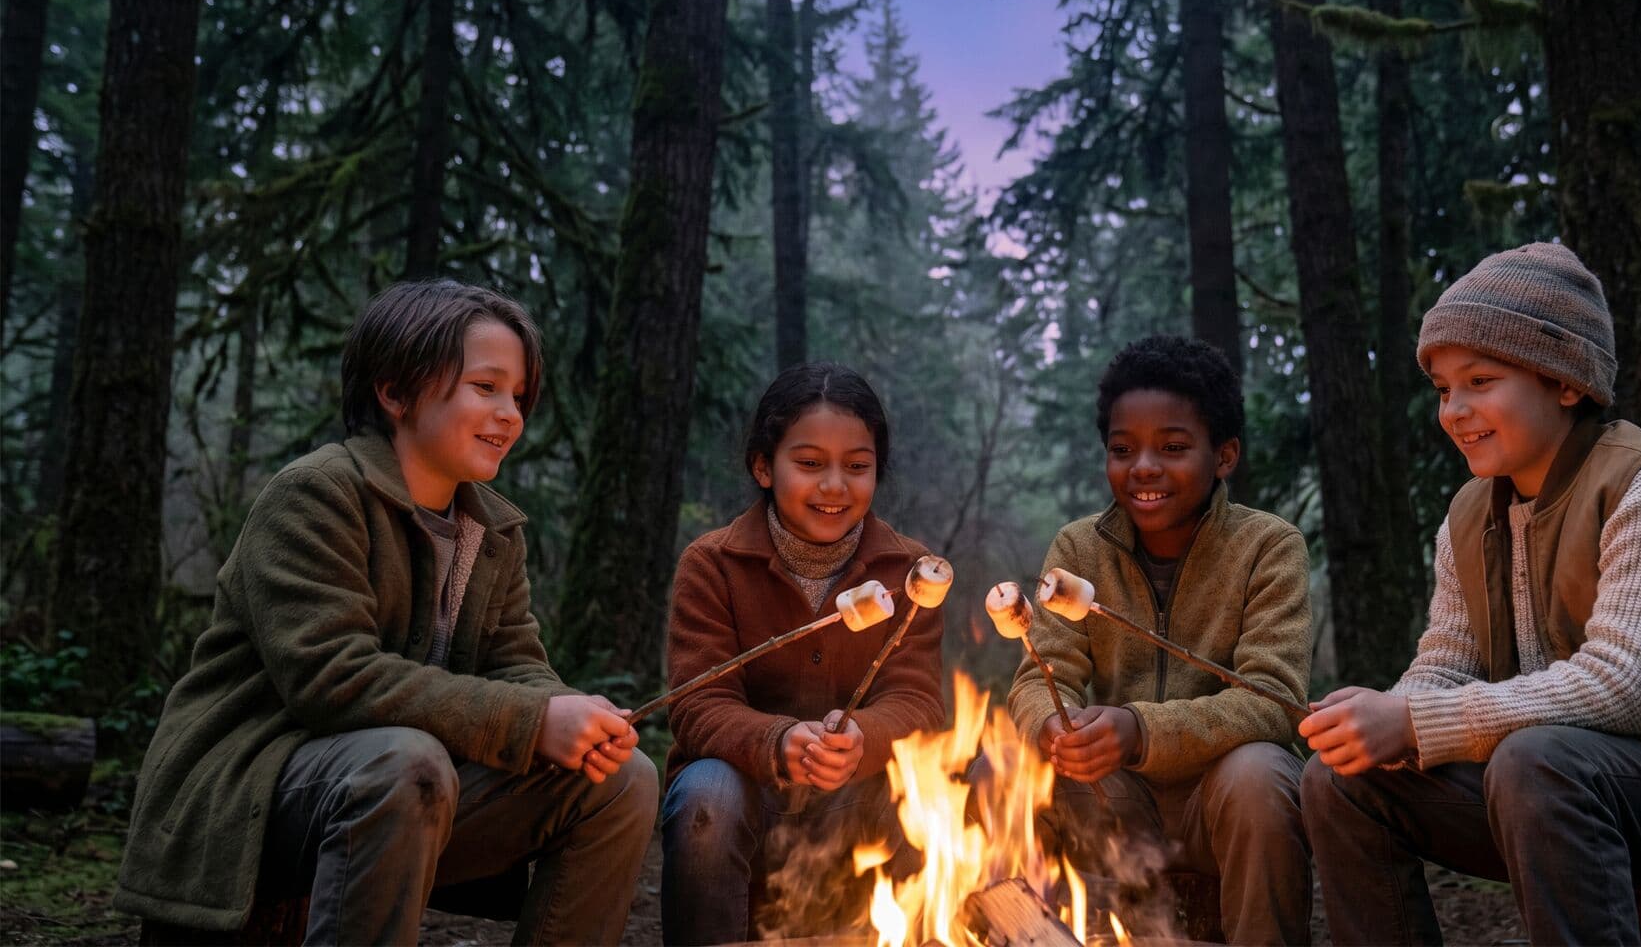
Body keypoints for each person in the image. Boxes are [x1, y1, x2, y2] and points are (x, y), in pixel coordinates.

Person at [1299, 242, 1641, 945]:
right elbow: (1446, 660)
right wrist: (1389, 718)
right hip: (1563, 793)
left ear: (1565, 382)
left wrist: (1415, 723)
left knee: (1539, 759)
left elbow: (1626, 686)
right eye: (1442, 389)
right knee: (1340, 778)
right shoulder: (1471, 512)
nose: (1455, 410)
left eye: (1480, 380)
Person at [114, 279, 657, 945]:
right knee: (406, 761)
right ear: (395, 392)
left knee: (619, 777)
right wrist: (531, 720)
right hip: (253, 798)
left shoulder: (491, 530)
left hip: (400, 793)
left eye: (518, 395)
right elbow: (332, 679)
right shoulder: (316, 493)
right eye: (485, 387)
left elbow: (518, 665)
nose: (511, 414)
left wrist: (571, 715)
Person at [1005, 334, 1313, 945]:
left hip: (1219, 794)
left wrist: (1140, 729)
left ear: (1223, 456)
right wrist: (1052, 728)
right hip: (1120, 796)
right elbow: (1041, 680)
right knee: (1008, 766)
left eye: (1172, 448)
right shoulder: (1079, 549)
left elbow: (1274, 699)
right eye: (1123, 449)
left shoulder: (1268, 547)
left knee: (1259, 775)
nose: (1143, 467)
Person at [660, 362, 945, 945]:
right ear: (764, 466)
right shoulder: (712, 564)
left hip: (859, 807)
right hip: (748, 804)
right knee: (705, 792)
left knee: (933, 784)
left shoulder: (911, 573)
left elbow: (918, 701)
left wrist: (863, 736)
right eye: (810, 464)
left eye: (857, 466)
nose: (835, 486)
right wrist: (778, 741)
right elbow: (696, 705)